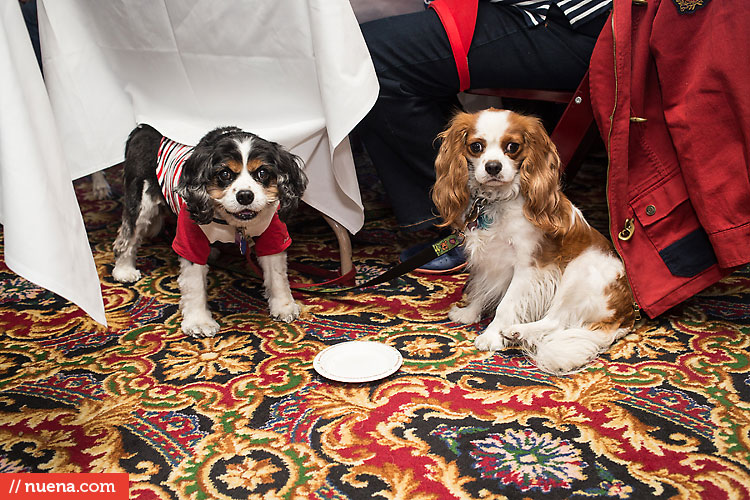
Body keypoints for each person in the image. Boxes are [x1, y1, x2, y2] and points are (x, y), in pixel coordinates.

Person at [355, 0, 610, 273]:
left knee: (371, 55)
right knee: (372, 41)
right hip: (546, 14)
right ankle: (465, 209)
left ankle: (467, 223)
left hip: (579, 24)